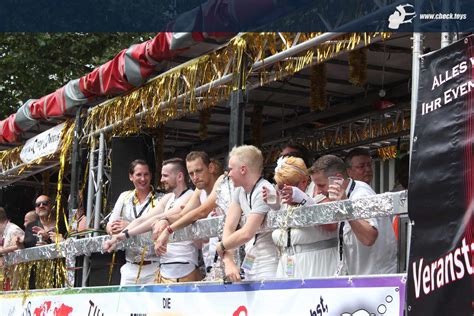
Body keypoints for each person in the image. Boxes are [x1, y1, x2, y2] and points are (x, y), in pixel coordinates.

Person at [105, 158, 200, 283]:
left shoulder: (190, 196)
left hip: (183, 267)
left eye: (165, 176)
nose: (161, 180)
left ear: (180, 176)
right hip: (165, 267)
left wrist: (125, 234)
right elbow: (144, 219)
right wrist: (117, 237)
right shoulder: (168, 198)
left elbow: (156, 219)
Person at [310, 155, 397, 275]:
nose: (318, 191)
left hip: (375, 279)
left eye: (321, 185)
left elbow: (369, 238)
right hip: (356, 278)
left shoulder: (362, 194)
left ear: (337, 179)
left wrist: (346, 208)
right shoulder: (342, 196)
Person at [266, 156, 338, 278]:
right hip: (287, 266)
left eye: (290, 186)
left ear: (304, 182)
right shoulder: (283, 203)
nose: (285, 191)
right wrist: (275, 207)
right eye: (281, 186)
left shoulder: (321, 198)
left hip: (316, 264)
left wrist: (305, 201)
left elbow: (331, 226)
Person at [153, 152, 223, 274]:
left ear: (211, 168)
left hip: (231, 255)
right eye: (191, 173)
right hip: (211, 258)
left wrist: (168, 230)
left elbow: (201, 212)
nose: (195, 177)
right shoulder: (199, 190)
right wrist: (165, 220)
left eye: (199, 171)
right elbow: (182, 215)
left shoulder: (222, 181)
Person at [216, 145, 278, 281]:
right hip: (250, 259)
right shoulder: (239, 191)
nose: (228, 174)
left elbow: (247, 233)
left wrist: (221, 246)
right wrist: (228, 260)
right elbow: (229, 227)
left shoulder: (265, 189)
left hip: (268, 262)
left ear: (243, 169)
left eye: (231, 169)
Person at [106, 159, 161, 285]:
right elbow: (110, 224)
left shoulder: (160, 198)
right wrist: (111, 229)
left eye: (146, 174)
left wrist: (128, 226)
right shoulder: (124, 196)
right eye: (139, 175)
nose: (143, 179)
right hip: (130, 267)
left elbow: (158, 227)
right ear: (131, 177)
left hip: (154, 266)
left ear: (151, 176)